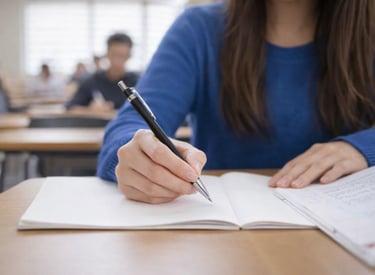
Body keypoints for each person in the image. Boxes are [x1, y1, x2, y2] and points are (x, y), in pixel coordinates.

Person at [97, 0, 375, 204]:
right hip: (225, 237)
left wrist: (363, 148)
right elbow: (131, 127)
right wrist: (136, 157)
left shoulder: (368, 33)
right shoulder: (198, 29)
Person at [66, 33, 139, 111]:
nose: (118, 61)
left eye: (122, 56)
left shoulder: (137, 82)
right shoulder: (92, 81)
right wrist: (91, 110)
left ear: (129, 56)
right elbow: (70, 108)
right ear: (107, 54)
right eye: (114, 55)